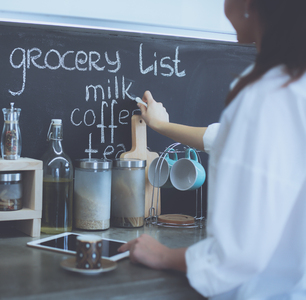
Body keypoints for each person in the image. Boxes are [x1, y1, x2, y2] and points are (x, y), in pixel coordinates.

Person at [118, 0, 306, 299]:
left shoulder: (266, 99)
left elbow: (240, 255)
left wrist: (165, 255)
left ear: (249, 5)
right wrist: (164, 126)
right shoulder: (291, 88)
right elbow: (228, 140)